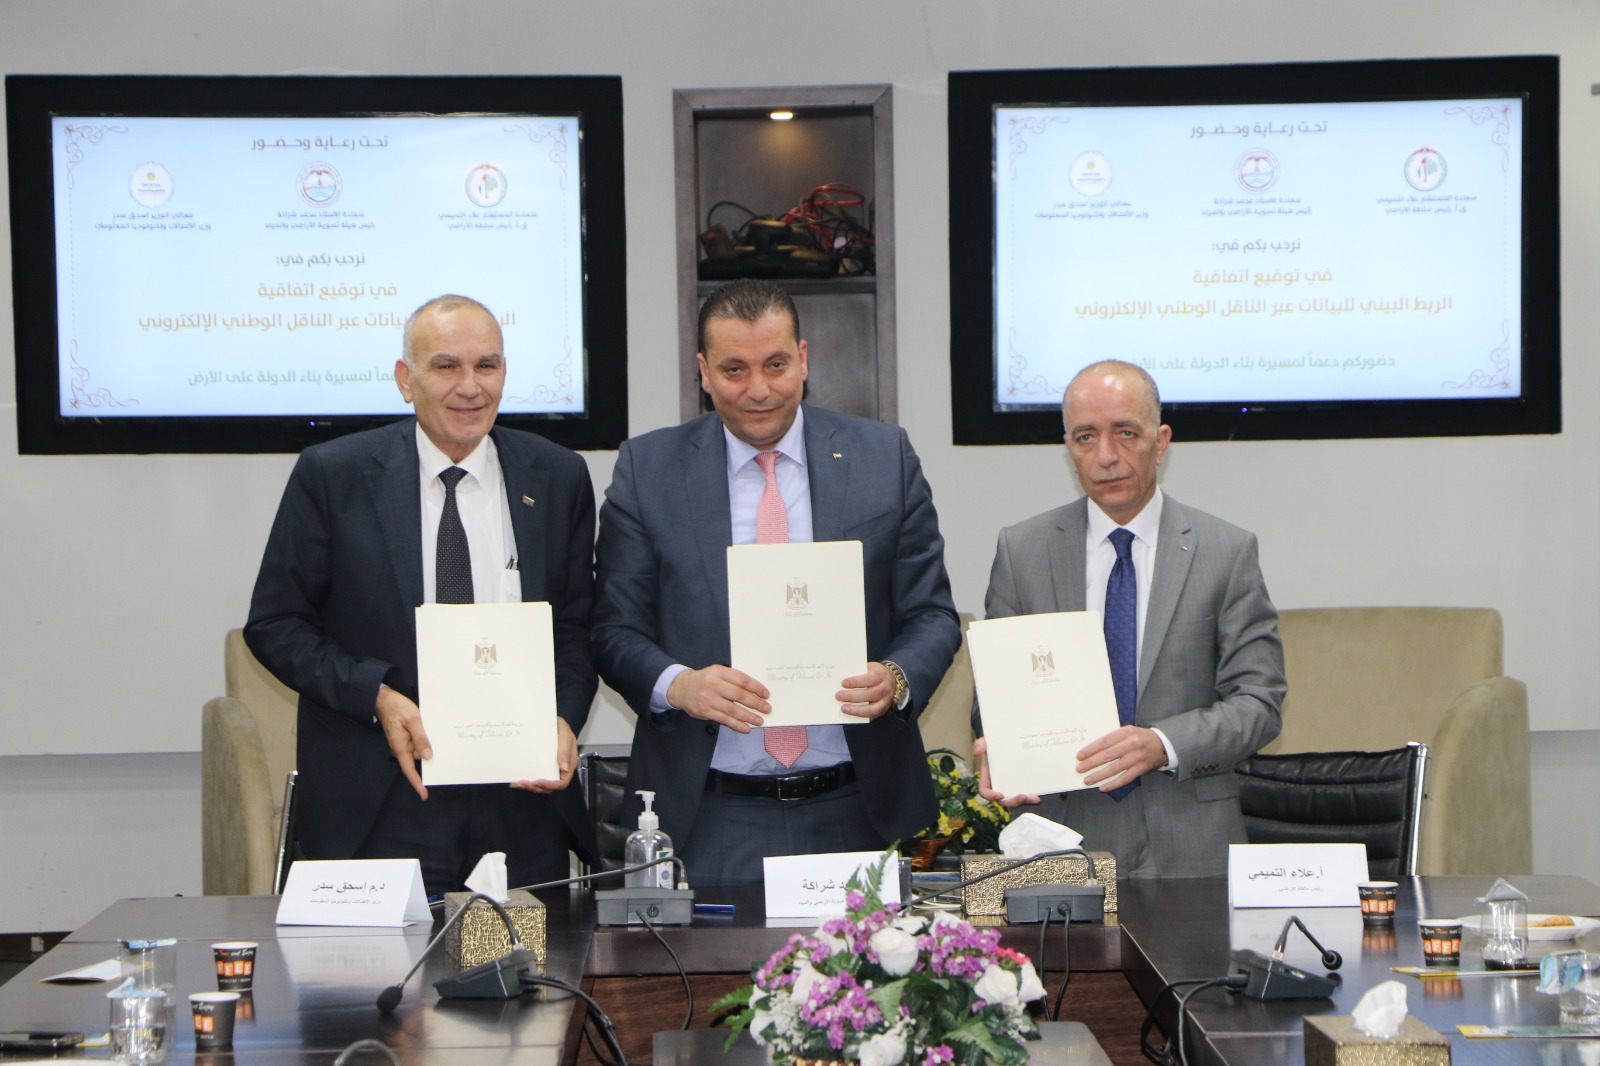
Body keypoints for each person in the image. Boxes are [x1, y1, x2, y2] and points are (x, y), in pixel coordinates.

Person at [592, 279, 962, 885]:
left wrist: (896, 678)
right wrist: (679, 685)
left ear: (804, 359)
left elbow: (932, 615)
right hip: (707, 815)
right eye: (734, 369)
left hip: (858, 808)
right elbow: (613, 630)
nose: (759, 389)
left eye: (776, 364)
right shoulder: (648, 470)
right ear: (703, 372)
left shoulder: (883, 457)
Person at [244, 294, 598, 894]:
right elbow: (276, 625)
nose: (470, 387)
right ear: (405, 379)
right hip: (386, 800)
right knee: (391, 959)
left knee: (517, 955)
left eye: (486, 366)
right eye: (446, 366)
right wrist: (377, 696)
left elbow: (577, 624)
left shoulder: (556, 475)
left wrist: (562, 715)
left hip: (519, 799)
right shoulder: (334, 475)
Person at [974, 359, 1285, 877]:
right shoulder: (1022, 551)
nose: (1106, 456)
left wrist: (1162, 744)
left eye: (1125, 433)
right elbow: (994, 699)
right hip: (1061, 835)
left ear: (1160, 443)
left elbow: (1260, 703)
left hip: (1191, 840)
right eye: (1085, 437)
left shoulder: (1226, 551)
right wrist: (1000, 747)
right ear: (1068, 448)